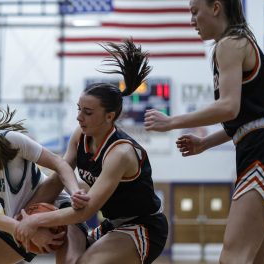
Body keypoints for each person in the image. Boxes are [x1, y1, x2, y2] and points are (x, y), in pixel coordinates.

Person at [144, 0, 264, 263]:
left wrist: (172, 121)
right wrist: (205, 143)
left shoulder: (229, 43)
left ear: (216, 8)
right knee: (256, 258)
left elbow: (229, 107)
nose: (192, 21)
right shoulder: (239, 42)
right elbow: (248, 118)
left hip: (262, 150)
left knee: (232, 257)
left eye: (195, 12)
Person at [15, 39, 168, 264]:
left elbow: (86, 212)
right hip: (112, 224)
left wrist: (37, 221)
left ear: (110, 116)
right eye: (79, 109)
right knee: (69, 261)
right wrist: (23, 215)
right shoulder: (80, 135)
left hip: (143, 225)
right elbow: (60, 175)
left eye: (87, 112)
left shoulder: (120, 153)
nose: (79, 117)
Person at [0, 106, 89, 264]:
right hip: (16, 222)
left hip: (55, 205)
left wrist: (75, 191)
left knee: (71, 262)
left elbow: (58, 163)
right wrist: (27, 230)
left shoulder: (10, 140)